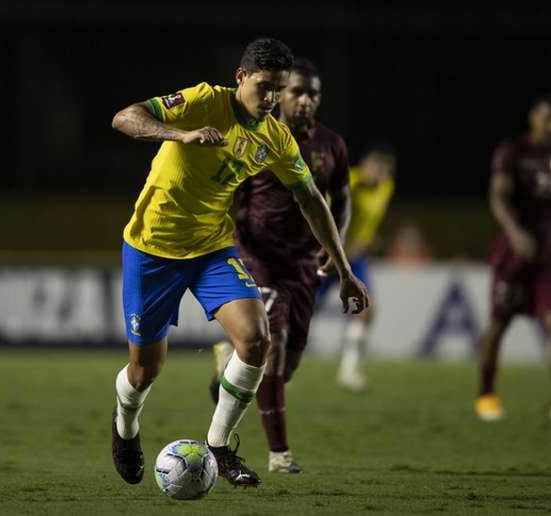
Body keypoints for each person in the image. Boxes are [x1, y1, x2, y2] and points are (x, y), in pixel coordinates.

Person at [109, 38, 368, 488]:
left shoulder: (276, 137)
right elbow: (125, 117)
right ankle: (125, 426)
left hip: (211, 249)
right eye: (265, 86)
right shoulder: (203, 101)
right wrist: (181, 134)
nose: (272, 99)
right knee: (144, 370)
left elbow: (311, 199)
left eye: (279, 90)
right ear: (241, 78)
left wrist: (344, 269)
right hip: (152, 248)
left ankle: (219, 446)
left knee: (255, 341)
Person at [208, 57, 351, 474]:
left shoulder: (332, 145)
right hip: (259, 257)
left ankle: (227, 364)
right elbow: (231, 190)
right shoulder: (259, 137)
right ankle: (279, 454)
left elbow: (339, 199)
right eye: (297, 91)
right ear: (281, 93)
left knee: (287, 366)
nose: (305, 100)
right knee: (274, 347)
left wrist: (335, 244)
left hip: (305, 264)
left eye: (313, 93)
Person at [475, 93, 551, 422]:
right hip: (514, 252)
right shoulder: (513, 152)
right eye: (549, 118)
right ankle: (486, 393)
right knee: (499, 323)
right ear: (533, 117)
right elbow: (498, 198)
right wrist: (515, 233)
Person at [317, 143, 396, 392]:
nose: (379, 174)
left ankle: (349, 371)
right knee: (295, 314)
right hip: (327, 257)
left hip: (355, 260)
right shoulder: (348, 181)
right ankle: (243, 355)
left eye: (384, 170)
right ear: (365, 166)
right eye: (376, 168)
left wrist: (366, 237)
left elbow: (368, 219)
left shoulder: (386, 188)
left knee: (366, 308)